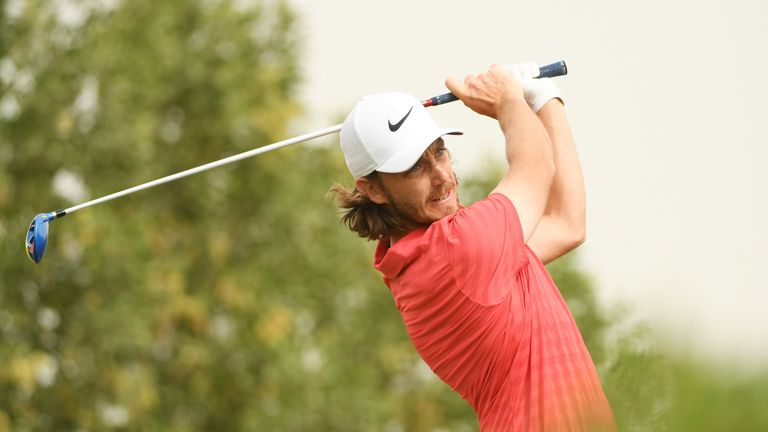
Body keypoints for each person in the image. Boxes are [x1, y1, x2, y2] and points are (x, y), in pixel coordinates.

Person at [330, 63, 616, 431]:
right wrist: (510, 99)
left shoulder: (431, 257)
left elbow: (566, 223)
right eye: (413, 168)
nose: (442, 176)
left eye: (440, 151)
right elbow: (536, 166)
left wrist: (544, 98)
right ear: (373, 189)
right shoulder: (456, 248)